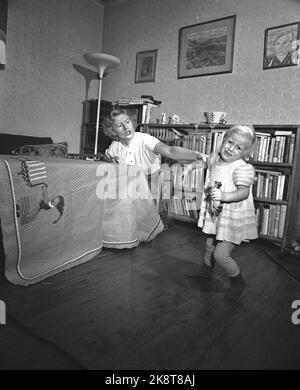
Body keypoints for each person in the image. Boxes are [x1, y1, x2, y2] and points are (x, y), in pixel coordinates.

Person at [196, 125, 258, 301]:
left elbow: (244, 192)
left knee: (220, 254)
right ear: (223, 140)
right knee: (209, 244)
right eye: (230, 142)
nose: (231, 148)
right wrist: (189, 167)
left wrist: (223, 196)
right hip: (218, 214)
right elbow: (204, 161)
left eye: (239, 147)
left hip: (233, 218)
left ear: (245, 154)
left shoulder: (241, 167)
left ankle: (238, 281)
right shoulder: (216, 160)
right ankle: (205, 272)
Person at [102, 108, 206, 202]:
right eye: (119, 125)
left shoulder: (145, 139)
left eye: (127, 122)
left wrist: (196, 155)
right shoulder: (115, 145)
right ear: (113, 131)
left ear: (132, 123)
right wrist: (110, 161)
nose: (125, 127)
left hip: (150, 187)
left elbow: (170, 151)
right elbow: (106, 157)